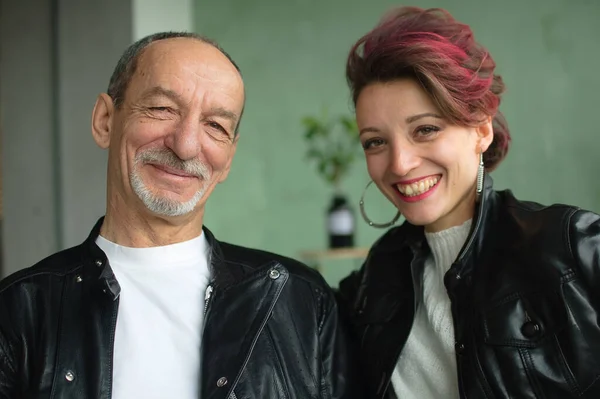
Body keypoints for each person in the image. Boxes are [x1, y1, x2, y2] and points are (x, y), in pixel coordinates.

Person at [0, 32, 361, 399]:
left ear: (229, 159)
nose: (186, 144)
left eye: (215, 126)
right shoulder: (19, 310)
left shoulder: (301, 300)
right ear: (105, 120)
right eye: (162, 109)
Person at [336, 6, 600, 399]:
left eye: (425, 129)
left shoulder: (573, 247)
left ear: (481, 128)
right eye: (375, 142)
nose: (399, 163)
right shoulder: (372, 284)